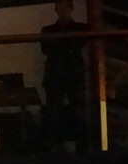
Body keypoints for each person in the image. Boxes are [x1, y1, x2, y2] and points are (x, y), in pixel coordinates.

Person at [40, 0, 89, 151]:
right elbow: (47, 49)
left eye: (64, 7)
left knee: (75, 111)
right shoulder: (78, 29)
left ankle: (76, 146)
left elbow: (50, 49)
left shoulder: (49, 31)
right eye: (60, 7)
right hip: (66, 73)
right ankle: (62, 145)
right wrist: (68, 46)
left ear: (70, 9)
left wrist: (59, 46)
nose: (62, 10)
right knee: (55, 112)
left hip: (64, 73)